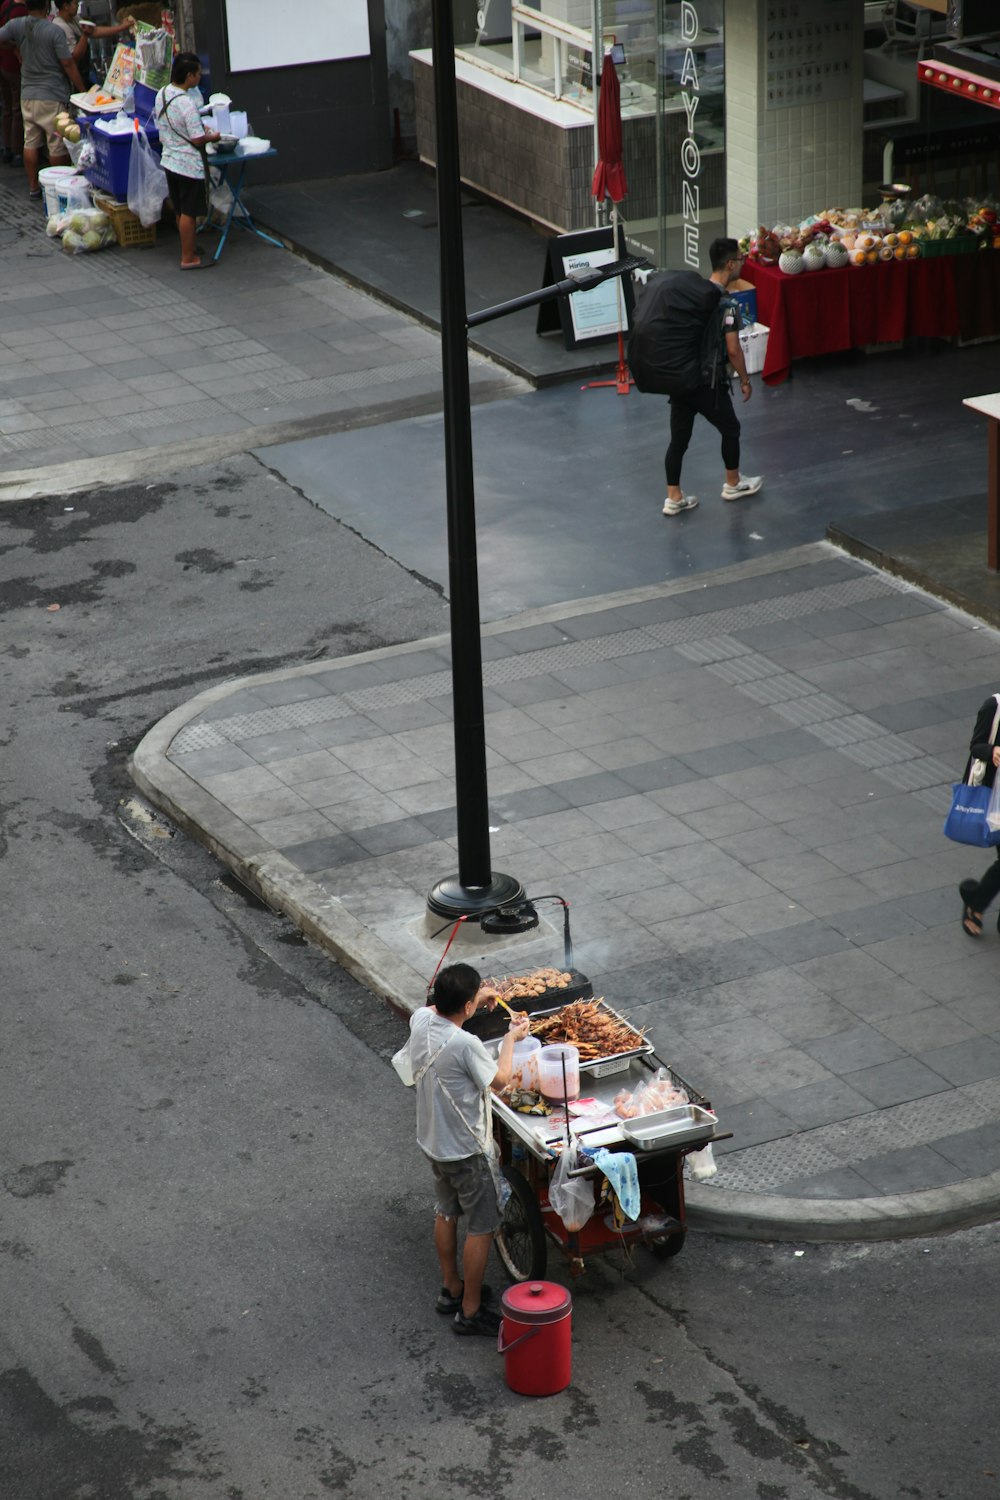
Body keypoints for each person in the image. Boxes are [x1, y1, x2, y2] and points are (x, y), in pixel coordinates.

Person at [409, 962, 530, 1336]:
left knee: (446, 1212)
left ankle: (452, 1288)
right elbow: (501, 1081)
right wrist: (512, 1039)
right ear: (465, 1006)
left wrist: (480, 995)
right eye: (474, 998)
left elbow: (437, 1007)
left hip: (433, 1143)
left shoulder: (420, 1020)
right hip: (466, 1151)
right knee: (481, 1228)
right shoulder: (466, 1045)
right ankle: (471, 1310)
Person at [662, 237, 763, 518]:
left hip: (681, 379)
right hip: (709, 382)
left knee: (678, 441)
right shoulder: (726, 305)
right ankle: (733, 483)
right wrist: (744, 379)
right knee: (730, 429)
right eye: (741, 259)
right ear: (730, 264)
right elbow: (732, 349)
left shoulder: (691, 295)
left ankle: (674, 497)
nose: (743, 263)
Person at [0, 0, 83, 195]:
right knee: (56, 145)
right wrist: (82, 90)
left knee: (30, 142)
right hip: (51, 95)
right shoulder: (53, 31)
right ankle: (56, 187)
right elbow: (68, 64)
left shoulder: (17, 25)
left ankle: (33, 187)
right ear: (46, 6)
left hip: (27, 94)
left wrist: (13, 46)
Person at [154, 51, 219, 270]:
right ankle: (188, 257)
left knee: (180, 209)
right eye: (198, 73)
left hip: (169, 160)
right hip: (188, 165)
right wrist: (214, 136)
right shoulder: (187, 103)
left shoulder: (162, 93)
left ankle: (188, 247)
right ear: (189, 76)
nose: (200, 77)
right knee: (189, 213)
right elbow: (198, 139)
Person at [958, 692, 1000, 938]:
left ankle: (976, 899)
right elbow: (976, 746)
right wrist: (992, 751)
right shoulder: (994, 706)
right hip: (994, 797)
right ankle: (975, 903)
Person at [0, 0, 26, 167]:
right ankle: (17, 151)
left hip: (2, 62)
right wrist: (16, 49)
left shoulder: (5, 4)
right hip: (13, 64)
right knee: (17, 108)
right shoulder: (21, 10)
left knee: (7, 107)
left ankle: (7, 147)